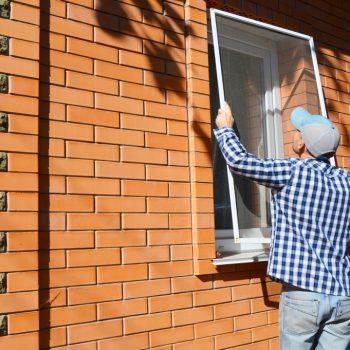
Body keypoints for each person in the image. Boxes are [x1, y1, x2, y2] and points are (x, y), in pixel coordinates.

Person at [214, 102, 350, 350]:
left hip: (303, 295)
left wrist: (225, 129)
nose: (293, 134)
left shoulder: (292, 171)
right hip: (343, 295)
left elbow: (240, 162)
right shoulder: (346, 181)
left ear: (302, 145)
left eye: (297, 132)